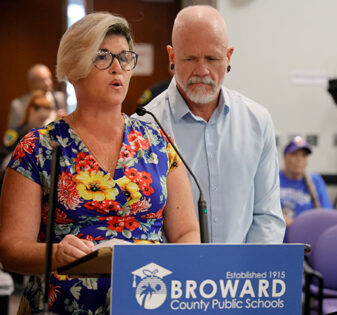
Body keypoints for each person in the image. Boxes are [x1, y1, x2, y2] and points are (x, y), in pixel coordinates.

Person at [0, 12, 200, 314]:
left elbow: (186, 233)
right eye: (102, 57)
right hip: (62, 305)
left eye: (124, 57)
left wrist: (171, 278)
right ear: (73, 66)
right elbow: (11, 249)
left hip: (149, 301)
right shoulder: (38, 147)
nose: (117, 67)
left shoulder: (158, 143)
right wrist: (56, 254)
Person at [133, 5, 285, 243]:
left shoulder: (258, 121)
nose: (202, 70)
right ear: (172, 57)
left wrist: (246, 275)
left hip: (241, 276)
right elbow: (142, 221)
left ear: (228, 57)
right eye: (190, 58)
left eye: (212, 58)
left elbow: (267, 216)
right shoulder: (144, 127)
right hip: (174, 274)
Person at [279, 136, 333, 227]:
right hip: (278, 235)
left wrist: (294, 223)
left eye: (304, 155)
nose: (299, 159)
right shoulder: (273, 178)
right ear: (285, 157)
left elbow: (327, 214)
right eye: (294, 154)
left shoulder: (315, 180)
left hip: (305, 233)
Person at [7, 64, 67, 129]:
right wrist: (31, 124)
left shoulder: (60, 98)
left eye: (49, 78)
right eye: (42, 80)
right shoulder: (18, 105)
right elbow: (12, 134)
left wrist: (66, 119)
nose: (48, 83)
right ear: (31, 83)